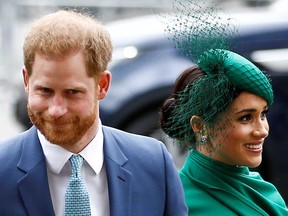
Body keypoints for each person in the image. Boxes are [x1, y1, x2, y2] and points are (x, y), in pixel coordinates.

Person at [0, 10, 187, 215]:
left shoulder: (154, 163)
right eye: (45, 91)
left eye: (72, 92)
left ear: (103, 85)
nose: (56, 110)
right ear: (27, 81)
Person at [160, 49, 288, 215]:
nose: (262, 131)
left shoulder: (258, 187)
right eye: (245, 118)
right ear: (200, 125)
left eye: (263, 114)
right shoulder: (182, 203)